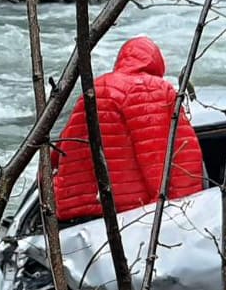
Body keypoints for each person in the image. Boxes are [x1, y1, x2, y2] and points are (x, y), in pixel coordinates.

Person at [51, 36, 205, 223]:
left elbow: (60, 151)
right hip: (129, 215)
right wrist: (178, 210)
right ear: (157, 63)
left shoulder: (96, 87)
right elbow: (161, 160)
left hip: (77, 213)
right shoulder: (155, 90)